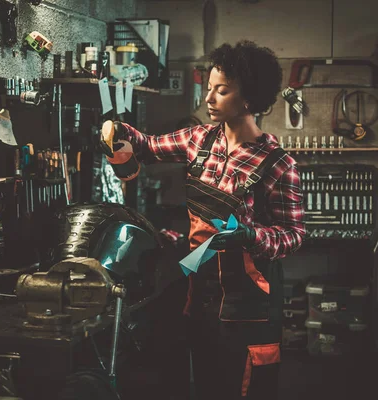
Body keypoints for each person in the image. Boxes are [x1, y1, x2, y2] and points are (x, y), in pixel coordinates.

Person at [100, 40, 305, 399]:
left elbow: (294, 236)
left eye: (221, 90)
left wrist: (249, 236)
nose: (209, 99)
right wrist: (119, 132)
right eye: (209, 88)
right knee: (205, 385)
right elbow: (146, 146)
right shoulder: (199, 140)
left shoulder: (277, 164)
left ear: (250, 98)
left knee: (243, 388)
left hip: (249, 304)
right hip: (199, 294)